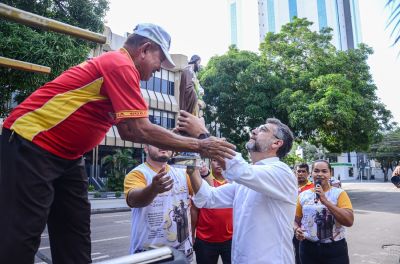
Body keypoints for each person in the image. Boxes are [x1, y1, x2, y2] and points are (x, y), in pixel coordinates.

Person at [0, 23, 235, 264]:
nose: (158, 68)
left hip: (68, 156)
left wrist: (180, 139)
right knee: (20, 237)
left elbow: (136, 127)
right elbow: (134, 130)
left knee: (75, 235)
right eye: (159, 60)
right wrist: (199, 145)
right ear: (144, 49)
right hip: (31, 142)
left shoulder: (124, 73)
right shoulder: (120, 64)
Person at [179, 111, 297, 263]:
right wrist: (191, 166)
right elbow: (208, 198)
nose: (254, 131)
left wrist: (202, 134)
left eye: (263, 130)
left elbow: (239, 169)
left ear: (276, 143)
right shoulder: (246, 179)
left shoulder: (281, 172)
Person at [124, 144, 196, 260]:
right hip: (148, 254)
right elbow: (133, 200)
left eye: (166, 142)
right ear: (146, 149)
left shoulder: (183, 173)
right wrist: (153, 189)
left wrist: (204, 173)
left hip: (182, 253)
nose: (162, 145)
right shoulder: (137, 174)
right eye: (156, 142)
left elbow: (204, 196)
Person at [294, 160, 354, 264]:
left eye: (324, 171)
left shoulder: (339, 194)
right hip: (308, 249)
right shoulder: (303, 195)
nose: (320, 174)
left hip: (334, 249)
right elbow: (295, 220)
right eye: (316, 171)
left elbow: (349, 221)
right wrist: (296, 229)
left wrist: (325, 201)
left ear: (330, 173)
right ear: (311, 173)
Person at [192, 159, 233, 264]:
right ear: (210, 162)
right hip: (205, 240)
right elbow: (194, 210)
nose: (219, 162)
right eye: (215, 160)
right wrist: (192, 235)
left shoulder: (234, 183)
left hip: (231, 239)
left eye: (223, 159)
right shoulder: (200, 183)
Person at [293, 163, 314, 264]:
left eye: (303, 171)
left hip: (305, 227)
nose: (300, 174)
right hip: (289, 224)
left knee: (305, 254)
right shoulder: (289, 186)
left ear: (308, 174)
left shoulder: (313, 188)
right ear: (295, 173)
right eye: (298, 171)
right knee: (294, 253)